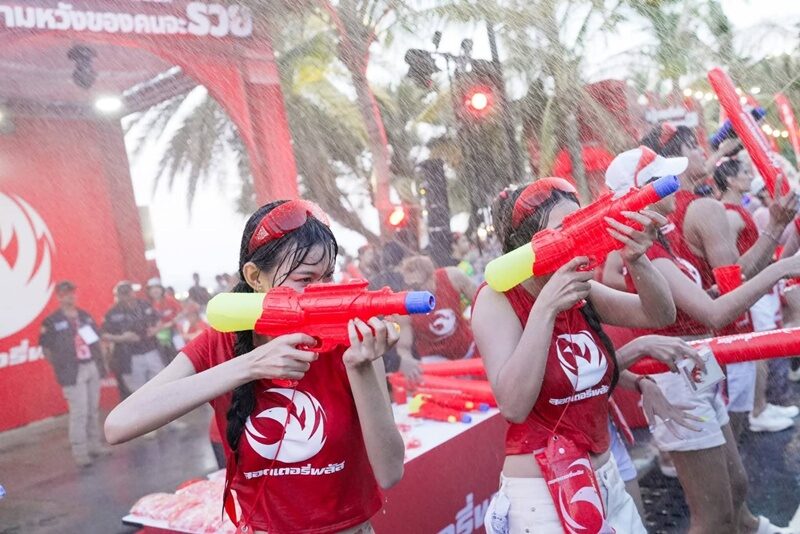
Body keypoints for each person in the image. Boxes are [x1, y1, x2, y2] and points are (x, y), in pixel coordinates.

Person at [104, 200, 404, 533]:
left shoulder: (350, 341)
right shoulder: (219, 343)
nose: (322, 292)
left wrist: (361, 368)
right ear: (255, 277)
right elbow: (119, 425)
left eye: (328, 276)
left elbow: (390, 472)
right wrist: (250, 365)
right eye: (305, 278)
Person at [603, 147, 800, 534]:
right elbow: (714, 314)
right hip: (677, 378)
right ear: (642, 194)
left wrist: (777, 235)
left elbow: (713, 295)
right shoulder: (648, 253)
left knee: (736, 486)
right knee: (712, 516)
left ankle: (754, 527)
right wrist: (780, 268)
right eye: (663, 180)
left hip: (696, 367)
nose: (674, 185)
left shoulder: (662, 240)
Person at [473, 177, 678, 532]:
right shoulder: (496, 299)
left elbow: (660, 315)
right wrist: (546, 307)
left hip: (605, 474)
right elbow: (514, 406)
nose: (579, 237)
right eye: (564, 230)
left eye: (581, 223)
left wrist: (637, 259)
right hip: (542, 497)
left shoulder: (583, 288)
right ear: (528, 245)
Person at [714, 158, 797, 432]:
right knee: (756, 350)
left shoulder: (739, 210)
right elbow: (732, 268)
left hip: (757, 289)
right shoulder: (728, 215)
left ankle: (760, 405)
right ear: (730, 180)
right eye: (745, 172)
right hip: (747, 294)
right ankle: (757, 410)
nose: (751, 176)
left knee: (759, 350)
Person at [39, 281, 110, 467]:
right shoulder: (52, 321)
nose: (70, 296)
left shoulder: (84, 316)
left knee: (93, 409)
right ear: (58, 297)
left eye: (72, 292)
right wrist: (61, 366)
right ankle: (80, 452)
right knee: (79, 412)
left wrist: (102, 363)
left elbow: (96, 339)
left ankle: (95, 445)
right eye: (65, 294)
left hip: (91, 365)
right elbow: (46, 348)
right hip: (72, 371)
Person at [396, 255, 477, 370]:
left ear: (432, 277)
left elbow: (481, 300)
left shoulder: (452, 277)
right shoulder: (405, 304)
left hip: (467, 347)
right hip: (436, 359)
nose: (412, 291)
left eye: (417, 286)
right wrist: (406, 360)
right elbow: (403, 347)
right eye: (408, 286)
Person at [103, 281, 164, 397]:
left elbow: (159, 321)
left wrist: (155, 330)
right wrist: (122, 338)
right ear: (118, 296)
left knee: (160, 384)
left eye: (128, 293)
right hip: (130, 356)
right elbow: (103, 334)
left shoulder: (144, 305)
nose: (127, 297)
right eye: (123, 294)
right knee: (138, 392)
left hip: (151, 350)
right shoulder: (113, 312)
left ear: (133, 293)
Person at [146, 278, 185, 364]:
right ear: (149, 291)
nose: (155, 290)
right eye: (152, 288)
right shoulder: (148, 305)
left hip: (174, 332)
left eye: (157, 287)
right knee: (164, 360)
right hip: (158, 336)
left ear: (161, 289)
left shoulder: (169, 300)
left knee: (181, 354)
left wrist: (171, 323)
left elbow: (181, 313)